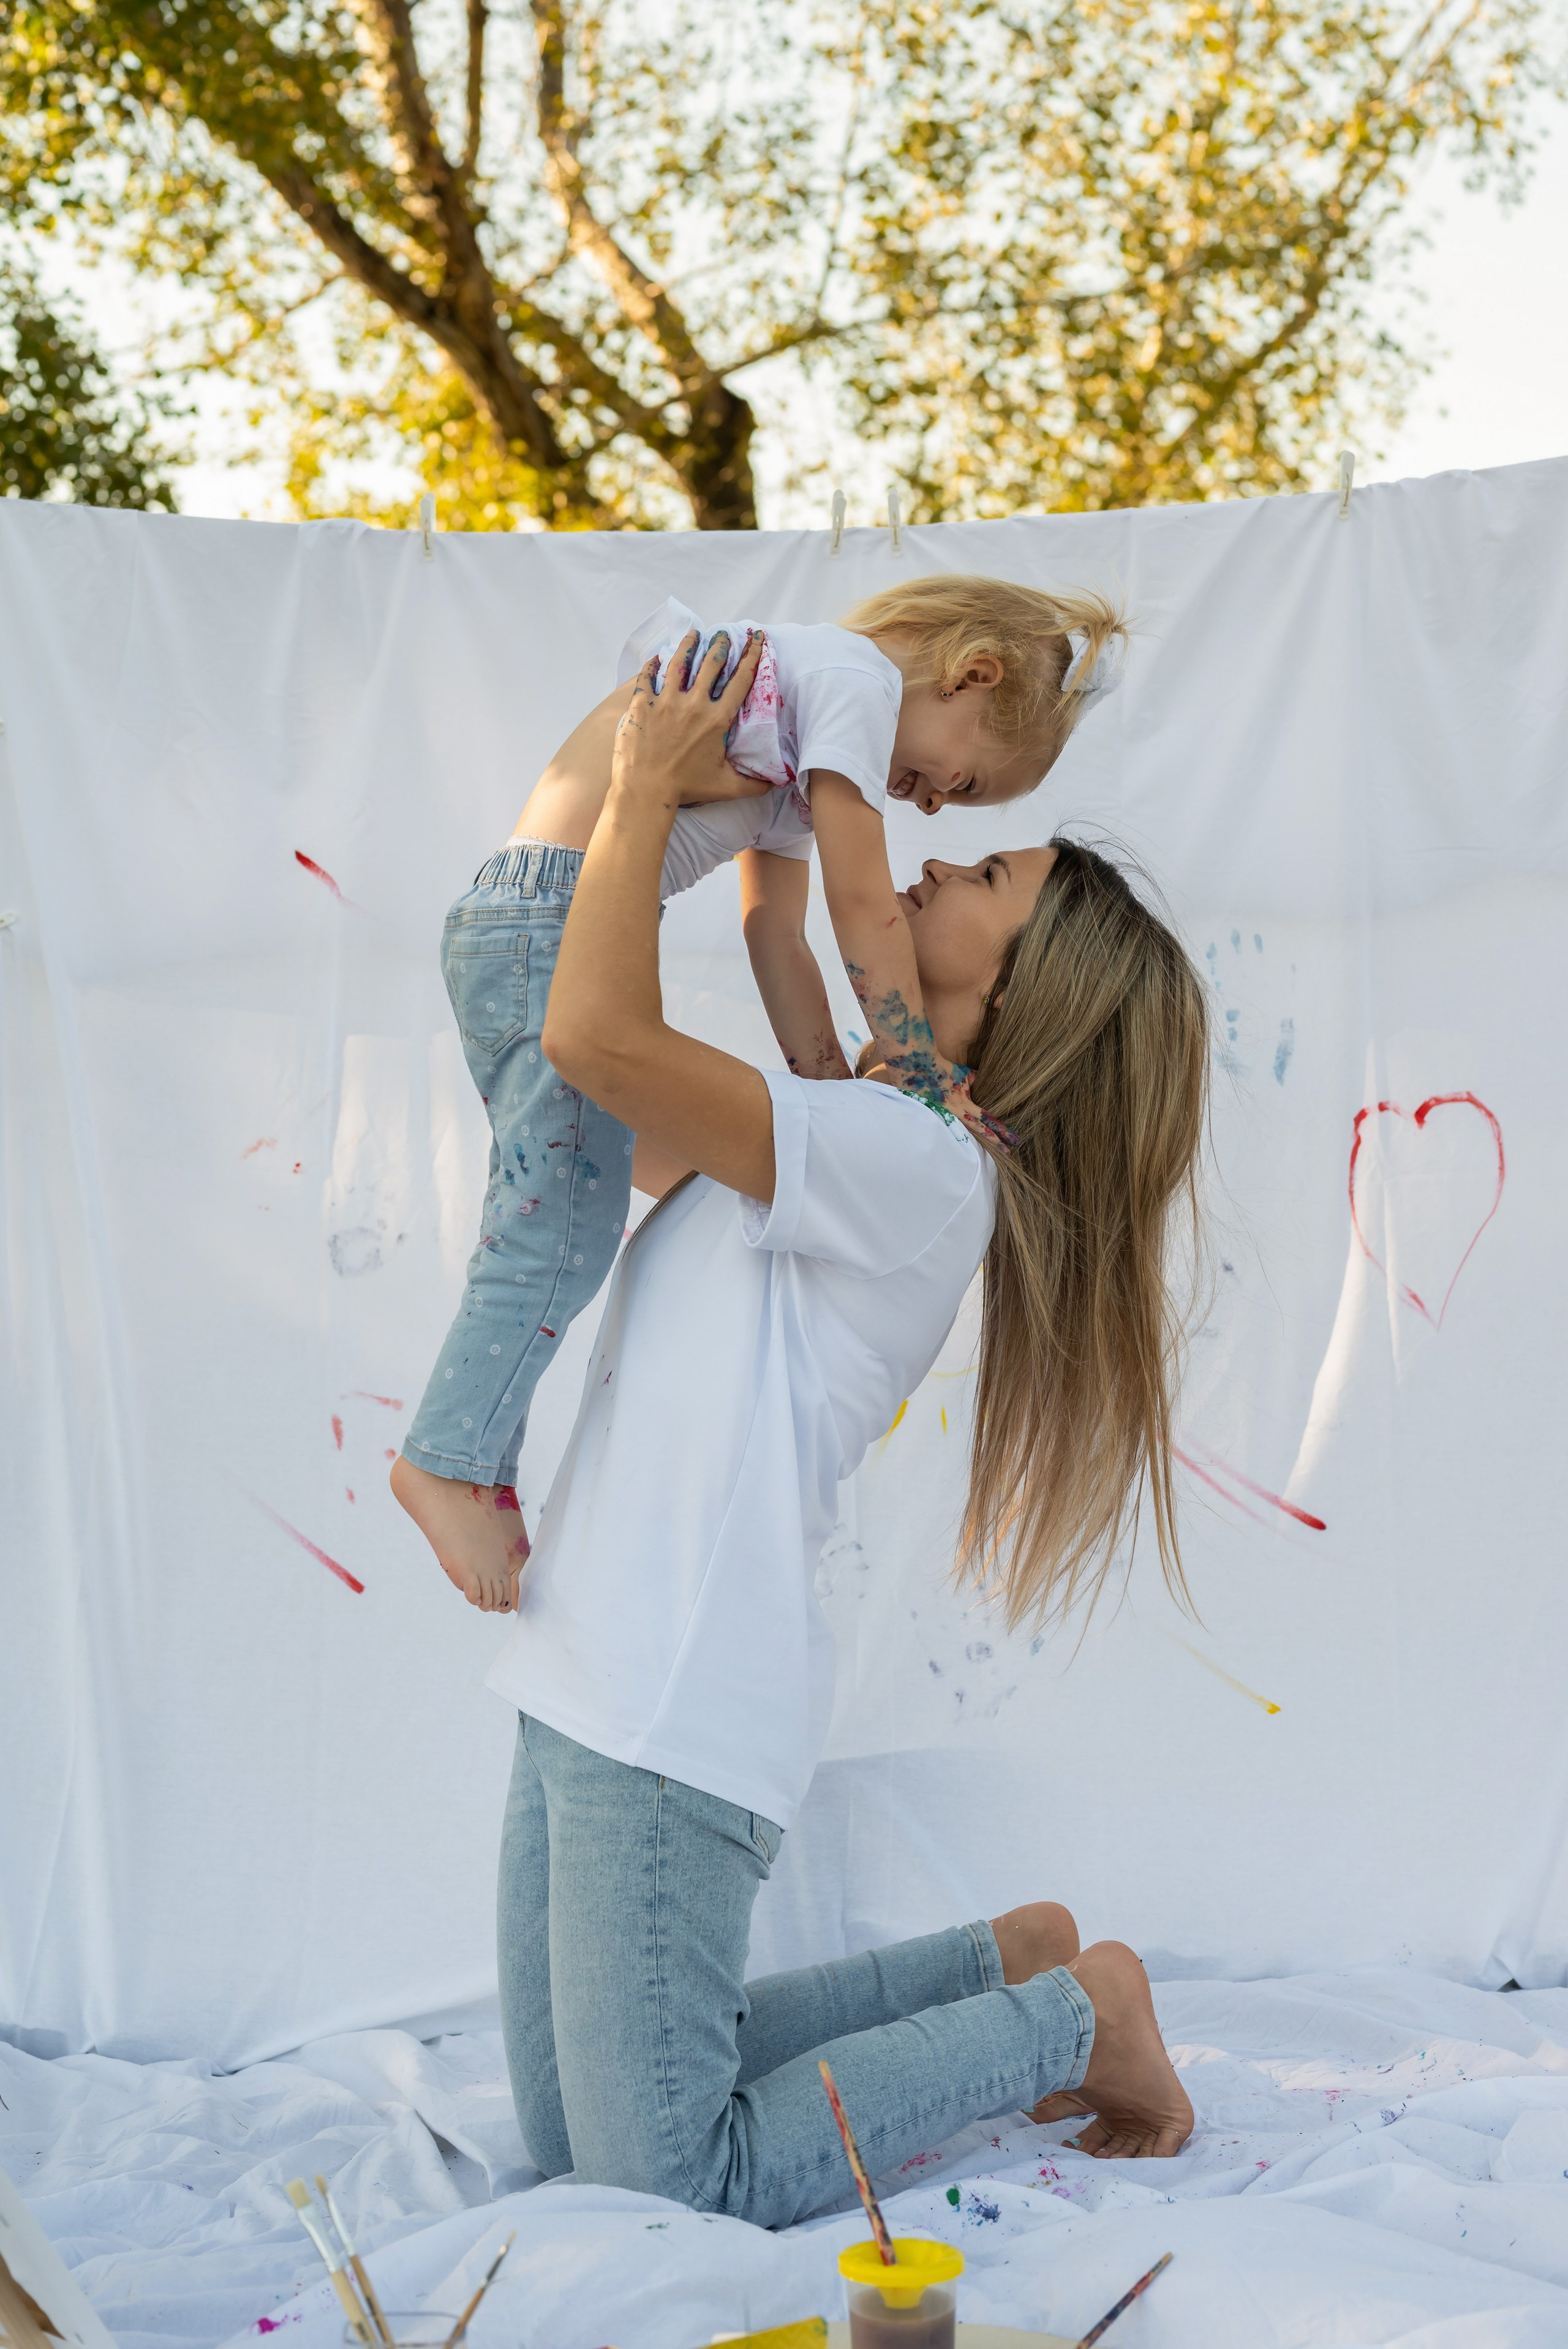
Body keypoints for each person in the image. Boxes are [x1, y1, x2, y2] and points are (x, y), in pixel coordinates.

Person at [481, 630, 1208, 2228]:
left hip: (670, 1698)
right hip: (591, 1660)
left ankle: (1076, 2020)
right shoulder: (862, 1127)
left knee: (668, 2174)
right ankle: (1004, 1963)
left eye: (986, 877)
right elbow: (611, 1099)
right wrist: (688, 847)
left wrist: (636, 800)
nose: (935, 871)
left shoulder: (927, 1166)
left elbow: (597, 1043)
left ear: (1021, 994)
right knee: (573, 2136)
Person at [391, 578, 1126, 1609]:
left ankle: (478, 1451)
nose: (924, 809)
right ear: (972, 674)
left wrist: (830, 1075)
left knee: (563, 1211)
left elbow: (774, 935)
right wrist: (914, 1064)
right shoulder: (854, 685)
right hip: (545, 922)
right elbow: (857, 900)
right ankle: (448, 1455)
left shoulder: (798, 719)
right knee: (555, 1225)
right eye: (960, 789)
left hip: (531, 914)